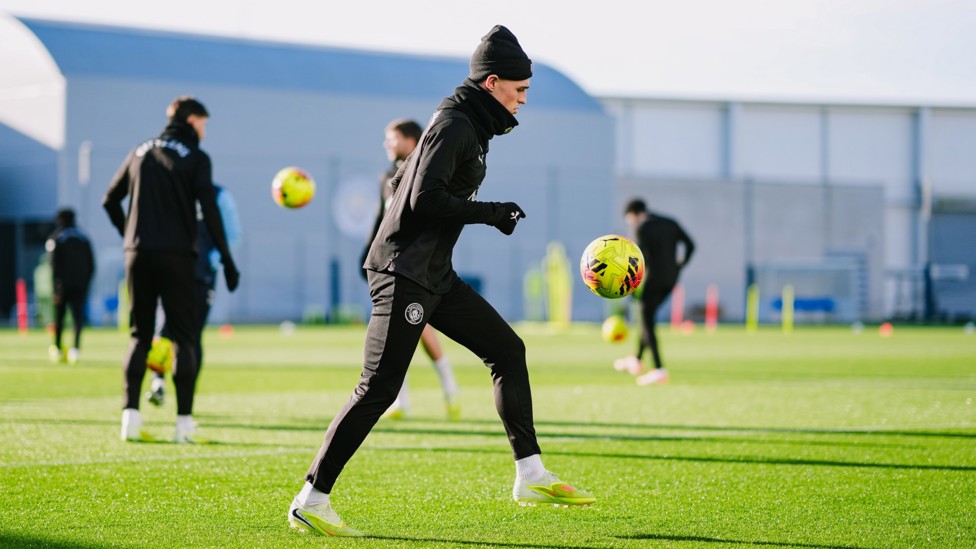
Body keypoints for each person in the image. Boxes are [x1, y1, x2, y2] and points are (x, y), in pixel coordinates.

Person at [288, 25, 594, 538]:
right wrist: (490, 211)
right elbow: (421, 200)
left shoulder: (468, 124)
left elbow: (410, 180)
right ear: (492, 82)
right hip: (402, 273)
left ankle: (530, 473)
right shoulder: (455, 124)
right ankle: (310, 500)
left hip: (434, 274)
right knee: (378, 389)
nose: (523, 102)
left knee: (507, 350)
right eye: (519, 92)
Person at [103, 96, 240, 443]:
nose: (205, 132)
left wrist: (129, 235)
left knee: (140, 336)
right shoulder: (196, 157)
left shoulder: (140, 150)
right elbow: (209, 210)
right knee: (184, 338)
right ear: (193, 121)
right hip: (178, 256)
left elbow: (109, 199)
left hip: (138, 253)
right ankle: (184, 427)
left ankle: (129, 422)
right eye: (204, 125)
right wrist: (227, 258)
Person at [362, 118, 460, 421]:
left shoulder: (430, 169)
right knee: (396, 333)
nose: (387, 145)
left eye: (391, 139)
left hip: (421, 267)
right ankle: (402, 402)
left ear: (410, 140)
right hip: (391, 266)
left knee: (417, 330)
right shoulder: (387, 176)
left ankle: (449, 388)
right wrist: (368, 254)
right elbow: (381, 220)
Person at [146, 183, 242, 407]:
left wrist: (211, 261)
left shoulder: (219, 196)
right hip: (171, 271)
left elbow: (233, 235)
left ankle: (185, 396)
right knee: (164, 330)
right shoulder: (172, 190)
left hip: (200, 275)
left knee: (190, 336)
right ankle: (157, 382)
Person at [614, 198, 695, 385]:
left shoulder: (641, 227)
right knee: (647, 317)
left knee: (647, 319)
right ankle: (637, 359)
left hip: (653, 280)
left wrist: (632, 285)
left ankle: (659, 369)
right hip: (672, 279)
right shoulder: (670, 222)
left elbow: (641, 258)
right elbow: (691, 245)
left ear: (633, 214)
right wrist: (680, 265)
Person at [45, 208, 95, 365]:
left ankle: (58, 348)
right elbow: (91, 264)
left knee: (59, 318)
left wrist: (56, 288)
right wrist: (86, 284)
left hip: (63, 286)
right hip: (80, 285)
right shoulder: (84, 237)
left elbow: (53, 265)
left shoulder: (56, 238)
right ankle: (75, 349)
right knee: (77, 318)